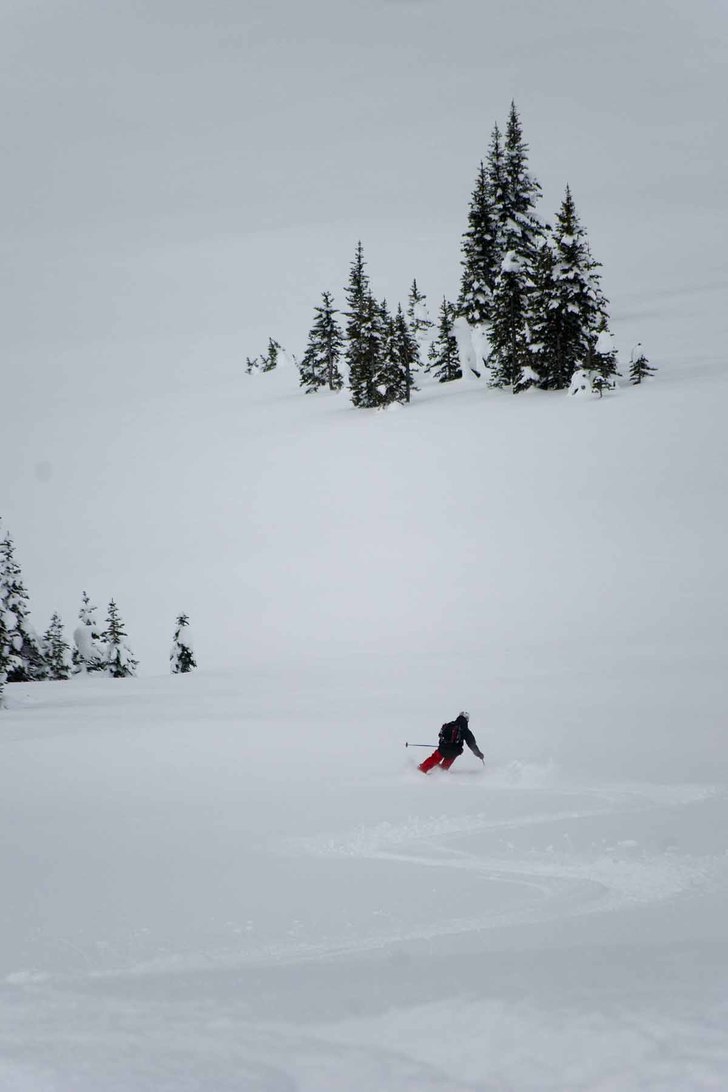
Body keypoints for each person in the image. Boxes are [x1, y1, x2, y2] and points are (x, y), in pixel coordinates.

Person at [418, 711, 484, 773]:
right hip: (454, 752)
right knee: (446, 764)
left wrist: (442, 745)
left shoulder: (449, 724)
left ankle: (422, 769)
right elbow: (472, 744)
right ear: (467, 720)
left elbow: (440, 735)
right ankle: (440, 773)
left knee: (434, 758)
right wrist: (479, 754)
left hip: (442, 749)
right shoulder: (466, 731)